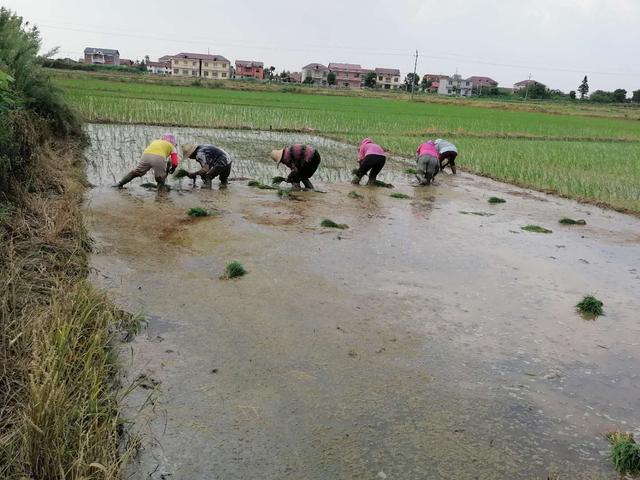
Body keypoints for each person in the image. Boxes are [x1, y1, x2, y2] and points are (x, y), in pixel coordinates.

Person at [113, 133, 178, 188]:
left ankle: (119, 184)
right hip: (158, 158)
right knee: (160, 178)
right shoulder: (172, 146)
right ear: (173, 141)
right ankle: (160, 197)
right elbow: (175, 163)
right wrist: (173, 168)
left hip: (146, 155)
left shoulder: (156, 141)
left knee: (136, 172)